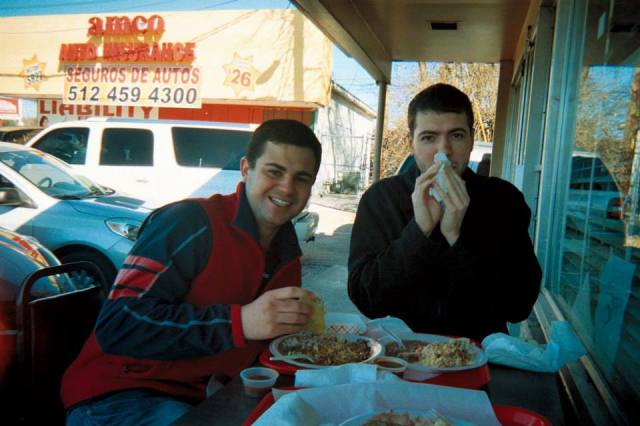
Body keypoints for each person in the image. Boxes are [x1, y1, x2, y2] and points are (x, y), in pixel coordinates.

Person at [62, 119, 323, 425]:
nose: (287, 188)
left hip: (214, 395)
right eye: (274, 171)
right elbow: (118, 324)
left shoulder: (288, 253)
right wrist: (240, 322)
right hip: (121, 396)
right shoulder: (188, 223)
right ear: (245, 169)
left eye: (302, 178)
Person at [348, 83, 541, 341]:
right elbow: (366, 299)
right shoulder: (381, 199)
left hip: (478, 355)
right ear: (411, 143)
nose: (444, 151)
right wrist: (419, 233)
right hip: (398, 355)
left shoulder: (504, 200)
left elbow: (518, 305)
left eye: (456, 135)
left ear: (471, 140)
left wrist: (456, 236)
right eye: (429, 138)